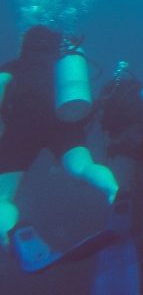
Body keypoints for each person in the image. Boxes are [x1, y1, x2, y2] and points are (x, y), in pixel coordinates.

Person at [0, 26, 119, 250]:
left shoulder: (14, 65)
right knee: (84, 167)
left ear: (25, 44)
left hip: (22, 128)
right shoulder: (65, 62)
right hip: (64, 122)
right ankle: (114, 192)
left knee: (3, 195)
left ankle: (11, 235)